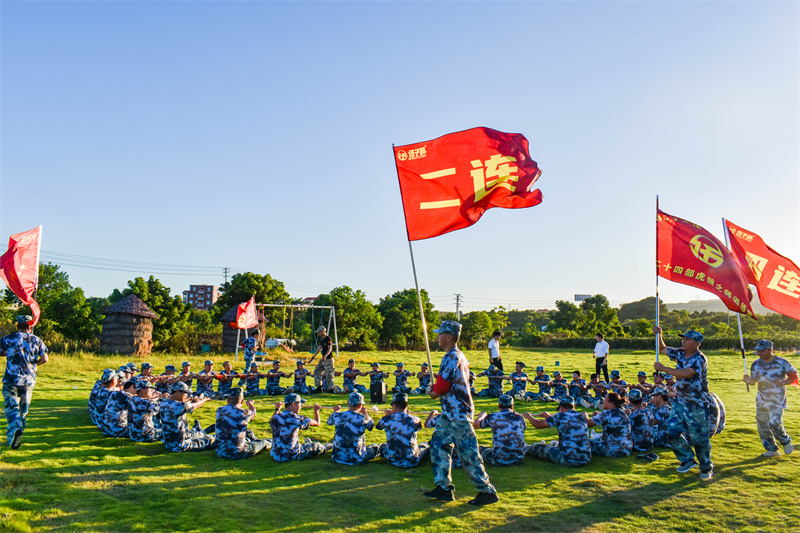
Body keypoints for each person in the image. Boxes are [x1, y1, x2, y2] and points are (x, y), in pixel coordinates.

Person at [425, 320, 497, 507]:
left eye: (441, 334)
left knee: (468, 453)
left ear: (449, 337)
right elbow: (444, 382)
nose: (438, 337)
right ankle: (443, 487)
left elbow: (442, 387)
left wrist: (433, 392)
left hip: (458, 414)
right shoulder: (455, 356)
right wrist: (437, 388)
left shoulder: (452, 357)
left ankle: (487, 491)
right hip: (449, 414)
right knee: (438, 445)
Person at [653, 326, 713, 480]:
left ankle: (706, 468)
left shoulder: (699, 358)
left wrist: (663, 368)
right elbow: (662, 349)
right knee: (671, 433)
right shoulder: (680, 353)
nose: (683, 341)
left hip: (696, 405)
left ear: (697, 343)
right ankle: (687, 459)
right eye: (683, 339)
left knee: (699, 439)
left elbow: (686, 373)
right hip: (680, 403)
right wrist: (659, 334)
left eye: (687, 339)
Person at [743, 339, 797, 457]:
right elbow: (754, 382)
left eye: (762, 351)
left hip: (777, 399)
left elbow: (794, 376)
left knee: (774, 423)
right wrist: (748, 380)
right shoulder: (756, 364)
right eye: (758, 351)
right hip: (761, 399)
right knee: (762, 424)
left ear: (770, 350)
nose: (760, 353)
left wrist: (783, 382)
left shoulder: (782, 362)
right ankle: (772, 449)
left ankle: (785, 441)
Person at [525, 396, 591, 467]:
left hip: (567, 459)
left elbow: (538, 424)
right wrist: (549, 416)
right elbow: (567, 420)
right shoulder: (581, 417)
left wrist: (528, 416)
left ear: (561, 408)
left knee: (537, 447)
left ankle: (525, 448)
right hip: (585, 458)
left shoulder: (560, 416)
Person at [270, 392, 329, 462]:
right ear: (293, 404)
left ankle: (307, 444)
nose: (301, 406)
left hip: (275, 455)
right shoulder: (296, 418)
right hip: (291, 456)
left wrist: (277, 409)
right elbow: (317, 422)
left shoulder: (276, 417)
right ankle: (325, 447)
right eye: (300, 404)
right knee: (317, 445)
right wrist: (316, 410)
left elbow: (271, 421)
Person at [215, 388, 272, 459]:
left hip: (220, 451)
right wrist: (250, 404)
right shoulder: (244, 413)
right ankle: (274, 443)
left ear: (228, 399)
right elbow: (253, 413)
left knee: (247, 433)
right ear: (242, 401)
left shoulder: (219, 410)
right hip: (238, 453)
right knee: (264, 442)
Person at [473, 395, 529, 466]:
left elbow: (476, 425)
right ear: (512, 406)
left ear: (498, 405)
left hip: (498, 460)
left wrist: (482, 415)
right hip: (519, 459)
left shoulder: (493, 417)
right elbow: (523, 428)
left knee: (480, 449)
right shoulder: (520, 418)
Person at [376, 393, 429, 468]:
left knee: (383, 446)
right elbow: (418, 428)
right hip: (412, 461)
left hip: (393, 460)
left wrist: (386, 416)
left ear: (394, 406)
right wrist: (408, 415)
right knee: (425, 445)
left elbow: (378, 426)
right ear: (407, 406)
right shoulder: (415, 419)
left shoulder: (387, 420)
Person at [160, 382, 216, 452]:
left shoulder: (163, 403)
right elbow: (195, 405)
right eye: (185, 392)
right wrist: (204, 399)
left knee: (193, 434)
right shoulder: (179, 406)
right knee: (213, 441)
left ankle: (203, 432)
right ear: (178, 392)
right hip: (181, 445)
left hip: (168, 443)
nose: (186, 395)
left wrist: (191, 399)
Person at [327, 392, 380, 465]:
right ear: (360, 405)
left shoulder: (337, 415)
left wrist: (335, 411)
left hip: (338, 457)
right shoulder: (363, 418)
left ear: (348, 402)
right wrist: (366, 414)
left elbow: (329, 421)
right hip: (357, 458)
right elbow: (371, 425)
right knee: (375, 447)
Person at [588, 392, 632, 458]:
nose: (603, 401)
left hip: (611, 451)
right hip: (626, 450)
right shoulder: (622, 412)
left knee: (584, 443)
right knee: (596, 439)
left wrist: (584, 416)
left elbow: (588, 424)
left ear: (612, 403)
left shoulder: (605, 414)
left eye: (605, 400)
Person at [309, 326, 335, 394]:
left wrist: (325, 356)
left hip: (328, 359)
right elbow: (319, 348)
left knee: (329, 374)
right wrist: (314, 355)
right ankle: (319, 387)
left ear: (322, 332)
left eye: (319, 332)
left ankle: (331, 389)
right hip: (323, 359)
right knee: (317, 370)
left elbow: (330, 349)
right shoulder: (322, 340)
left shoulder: (328, 338)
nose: (318, 333)